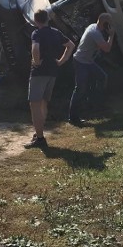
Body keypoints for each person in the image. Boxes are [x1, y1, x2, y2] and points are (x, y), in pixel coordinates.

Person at [25, 9, 75, 149]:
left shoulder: (37, 33)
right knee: (43, 103)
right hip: (52, 71)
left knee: (34, 104)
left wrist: (36, 61)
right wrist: (61, 60)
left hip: (39, 73)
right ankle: (38, 132)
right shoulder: (55, 32)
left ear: (35, 20)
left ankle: (40, 138)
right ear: (48, 19)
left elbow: (35, 48)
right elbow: (71, 45)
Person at [68, 13, 115, 126]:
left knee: (102, 77)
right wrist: (111, 35)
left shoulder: (93, 26)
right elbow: (107, 49)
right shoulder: (95, 33)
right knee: (79, 89)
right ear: (106, 25)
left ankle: (94, 102)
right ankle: (73, 117)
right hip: (81, 62)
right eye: (110, 24)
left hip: (87, 61)